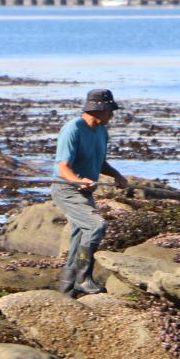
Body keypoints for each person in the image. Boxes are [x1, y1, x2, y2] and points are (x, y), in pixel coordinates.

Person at [51, 88, 129, 297]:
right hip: (66, 189)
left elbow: (99, 162)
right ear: (98, 109)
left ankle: (66, 294)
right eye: (109, 110)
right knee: (96, 226)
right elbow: (62, 167)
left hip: (85, 192)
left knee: (78, 239)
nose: (112, 115)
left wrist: (117, 175)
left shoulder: (102, 131)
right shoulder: (73, 129)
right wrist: (78, 180)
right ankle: (83, 279)